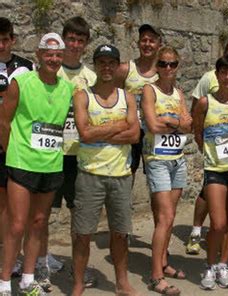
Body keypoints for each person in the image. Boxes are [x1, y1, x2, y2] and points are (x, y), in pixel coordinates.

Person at [0, 33, 74, 295]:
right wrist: (13, 152)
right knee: (17, 224)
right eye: (48, 54)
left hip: (51, 165)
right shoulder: (20, 82)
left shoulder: (68, 88)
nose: (53, 59)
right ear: (39, 55)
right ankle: (5, 282)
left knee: (38, 222)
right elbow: (4, 120)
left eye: (58, 55)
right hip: (21, 164)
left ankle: (28, 279)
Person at [71, 44, 139, 296]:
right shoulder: (83, 96)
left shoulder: (127, 97)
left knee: (120, 234)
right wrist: (118, 124)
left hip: (120, 176)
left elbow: (133, 134)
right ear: (95, 65)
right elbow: (84, 134)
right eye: (101, 62)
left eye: (111, 62)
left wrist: (100, 131)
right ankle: (78, 284)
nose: (107, 67)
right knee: (82, 234)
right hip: (90, 175)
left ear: (118, 65)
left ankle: (122, 283)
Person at [186, 38, 228, 255]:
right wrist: (208, 149)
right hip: (215, 167)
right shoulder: (206, 101)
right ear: (217, 74)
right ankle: (210, 262)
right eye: (224, 72)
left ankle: (223, 265)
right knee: (218, 223)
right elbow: (197, 130)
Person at [45, 16, 97, 289]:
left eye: (80, 40)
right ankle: (40, 261)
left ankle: (80, 269)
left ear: (86, 44)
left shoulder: (91, 77)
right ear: (63, 39)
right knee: (40, 215)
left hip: (80, 157)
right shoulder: (49, 70)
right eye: (71, 39)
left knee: (80, 217)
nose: (75, 45)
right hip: (50, 155)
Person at [141, 46, 192, 295]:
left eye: (172, 64)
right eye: (163, 64)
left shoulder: (179, 93)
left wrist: (171, 123)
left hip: (178, 159)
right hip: (157, 159)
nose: (168, 69)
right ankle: (155, 276)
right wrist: (176, 123)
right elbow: (152, 125)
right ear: (157, 66)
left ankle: (163, 262)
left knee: (170, 218)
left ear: (178, 66)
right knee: (165, 218)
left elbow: (189, 124)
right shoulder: (150, 90)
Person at [0, 16, 34, 266]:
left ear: (12, 40)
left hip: (18, 145)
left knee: (15, 206)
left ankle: (12, 257)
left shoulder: (27, 67)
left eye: (4, 40)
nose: (1, 45)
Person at [116, 24, 162, 176]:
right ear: (138, 43)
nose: (147, 44)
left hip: (153, 131)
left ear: (159, 44)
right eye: (144, 40)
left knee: (156, 175)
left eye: (151, 41)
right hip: (131, 129)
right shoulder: (125, 69)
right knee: (128, 172)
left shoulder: (163, 72)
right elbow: (114, 98)